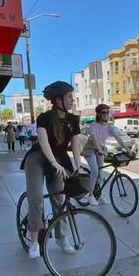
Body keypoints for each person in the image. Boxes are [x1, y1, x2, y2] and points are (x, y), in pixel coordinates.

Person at [21, 81, 83, 259]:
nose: (72, 99)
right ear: (58, 99)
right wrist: (54, 163)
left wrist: (78, 165)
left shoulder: (73, 120)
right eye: (69, 96)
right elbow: (43, 140)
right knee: (36, 198)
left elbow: (76, 144)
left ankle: (61, 238)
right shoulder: (45, 117)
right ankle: (34, 241)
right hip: (38, 159)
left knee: (59, 198)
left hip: (59, 160)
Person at [81, 104, 130, 205]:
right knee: (94, 171)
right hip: (90, 150)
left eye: (107, 112)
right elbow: (94, 139)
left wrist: (126, 147)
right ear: (98, 114)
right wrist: (100, 150)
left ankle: (99, 196)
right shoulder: (93, 125)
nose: (106, 115)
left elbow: (118, 137)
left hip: (100, 149)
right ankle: (90, 196)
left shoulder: (109, 126)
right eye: (103, 113)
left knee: (100, 175)